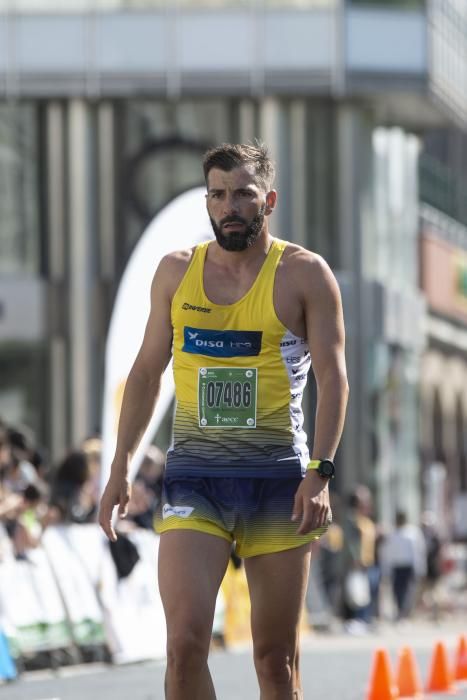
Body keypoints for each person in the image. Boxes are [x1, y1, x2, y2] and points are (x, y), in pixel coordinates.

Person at [99, 142, 348, 700]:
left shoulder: (305, 274)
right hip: (196, 480)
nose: (229, 206)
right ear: (207, 202)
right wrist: (119, 469)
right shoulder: (175, 272)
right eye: (217, 194)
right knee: (183, 647)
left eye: (243, 194)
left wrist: (322, 471)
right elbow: (143, 376)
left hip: (279, 485)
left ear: (269, 201)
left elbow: (335, 379)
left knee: (274, 661)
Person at [381, 510, 427, 621]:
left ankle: (405, 614)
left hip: (408, 566)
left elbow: (419, 550)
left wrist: (420, 567)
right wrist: (386, 568)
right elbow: (388, 552)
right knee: (397, 590)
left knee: (408, 591)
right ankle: (399, 612)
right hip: (396, 567)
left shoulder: (412, 532)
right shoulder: (392, 533)